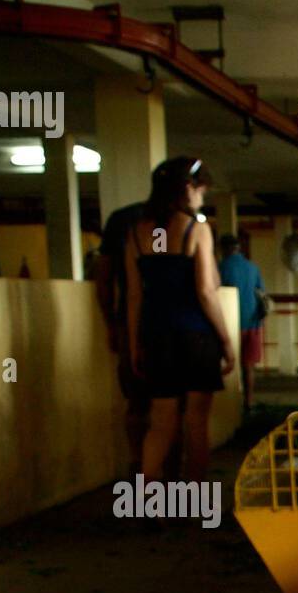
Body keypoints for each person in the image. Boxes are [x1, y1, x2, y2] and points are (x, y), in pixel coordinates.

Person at [124, 157, 236, 483]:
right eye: (201, 191)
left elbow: (134, 296)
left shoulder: (135, 233)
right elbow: (205, 291)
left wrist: (135, 345)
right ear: (188, 188)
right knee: (196, 422)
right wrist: (227, 342)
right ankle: (193, 502)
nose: (202, 198)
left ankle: (146, 495)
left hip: (157, 337)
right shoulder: (196, 229)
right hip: (196, 336)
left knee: (161, 422)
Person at [95, 196, 151, 470]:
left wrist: (112, 325)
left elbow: (105, 280)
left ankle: (138, 464)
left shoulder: (122, 220)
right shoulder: (182, 221)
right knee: (172, 407)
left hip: (129, 323)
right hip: (172, 326)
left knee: (136, 401)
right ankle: (170, 477)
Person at [217, 233, 268, 409]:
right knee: (249, 366)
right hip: (254, 322)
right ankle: (249, 400)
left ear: (223, 249)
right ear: (239, 248)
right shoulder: (253, 268)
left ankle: (232, 404)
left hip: (232, 323)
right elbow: (262, 292)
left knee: (232, 365)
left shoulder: (221, 267)